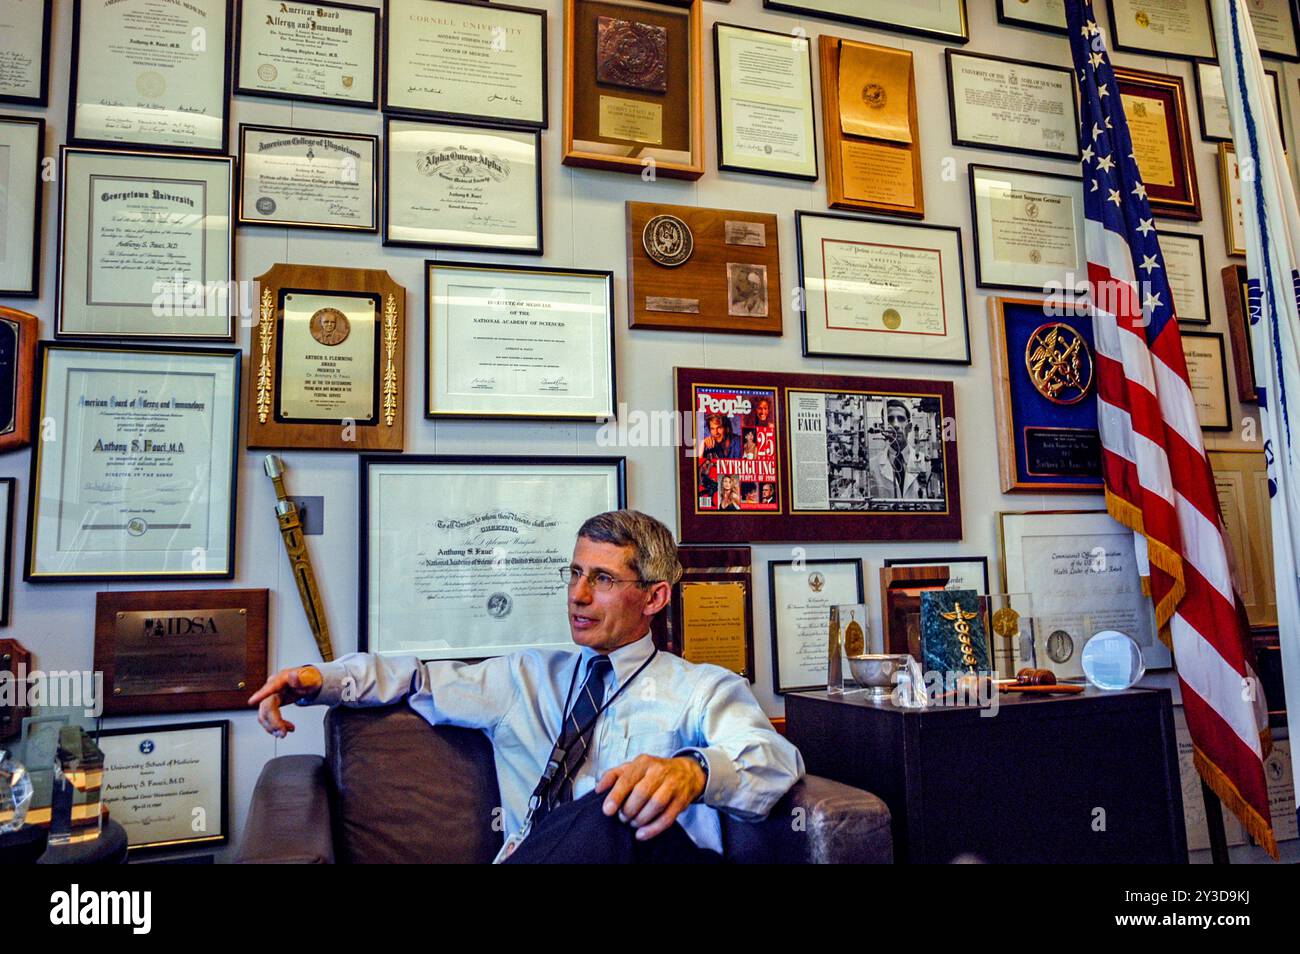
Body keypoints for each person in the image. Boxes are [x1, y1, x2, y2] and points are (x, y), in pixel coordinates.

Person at [249, 510, 804, 864]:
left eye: (603, 579)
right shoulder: (526, 677)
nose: (578, 595)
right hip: (536, 854)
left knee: (609, 807)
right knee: (599, 810)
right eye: (575, 573)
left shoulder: (702, 688)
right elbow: (418, 678)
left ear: (654, 598)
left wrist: (691, 770)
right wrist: (317, 680)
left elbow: (775, 762)